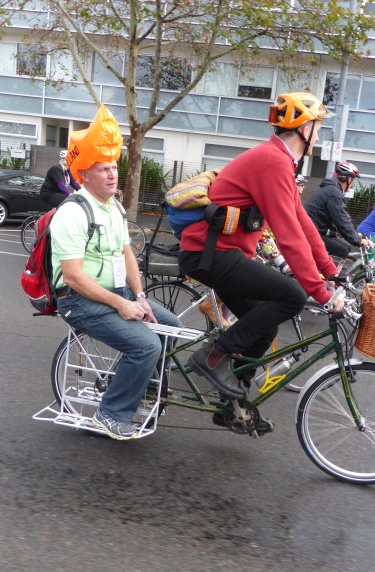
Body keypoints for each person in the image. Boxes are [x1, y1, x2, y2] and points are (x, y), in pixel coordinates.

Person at [177, 92, 345, 429]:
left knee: (264, 322)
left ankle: (233, 406)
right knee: (293, 296)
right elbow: (288, 235)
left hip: (222, 254)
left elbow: (302, 223)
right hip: (208, 255)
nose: (318, 136)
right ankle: (213, 357)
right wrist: (320, 292)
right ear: (304, 128)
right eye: (318, 127)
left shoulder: (277, 160)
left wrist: (330, 272)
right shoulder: (272, 161)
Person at [50, 105, 181, 441]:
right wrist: (122, 305)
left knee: (172, 327)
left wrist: (139, 297)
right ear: (85, 174)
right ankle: (110, 415)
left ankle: (142, 390)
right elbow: (75, 277)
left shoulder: (114, 207)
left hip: (114, 293)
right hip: (79, 301)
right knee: (146, 346)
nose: (112, 174)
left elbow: (127, 255)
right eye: (103, 168)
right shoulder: (73, 213)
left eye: (113, 167)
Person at [304, 161, 372, 260]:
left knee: (346, 247)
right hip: (311, 232)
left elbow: (339, 219)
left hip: (316, 230)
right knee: (341, 251)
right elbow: (342, 220)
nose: (352, 184)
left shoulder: (332, 189)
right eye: (353, 180)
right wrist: (358, 240)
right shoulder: (334, 193)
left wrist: (354, 234)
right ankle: (328, 275)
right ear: (348, 179)